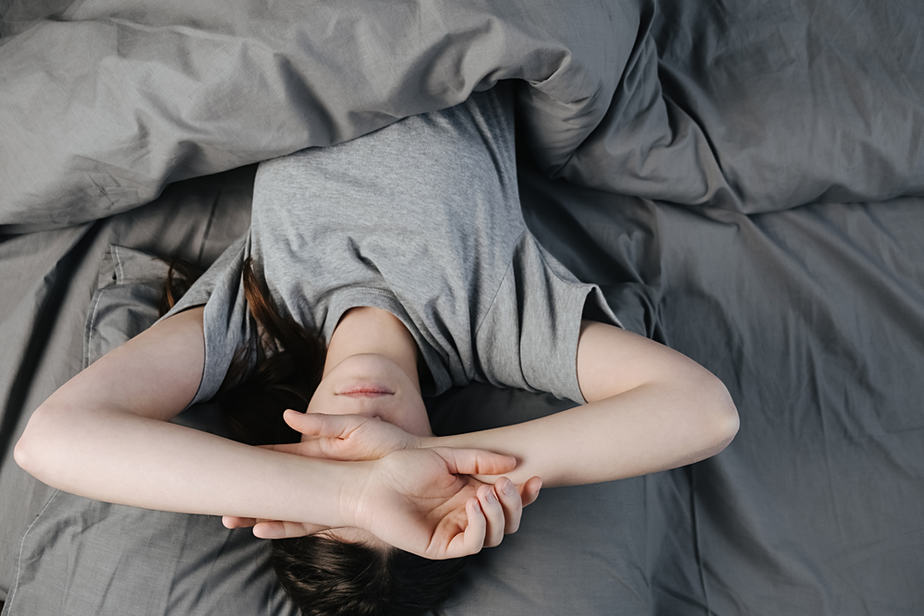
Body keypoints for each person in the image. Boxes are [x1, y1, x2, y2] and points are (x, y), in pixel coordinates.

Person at [14, 85, 738, 615]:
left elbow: (53, 439)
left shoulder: (252, 324)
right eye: (390, 461)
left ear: (288, 464)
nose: (369, 435)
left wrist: (357, 495)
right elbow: (704, 412)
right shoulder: (499, 322)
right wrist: (461, 474)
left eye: (336, 467)